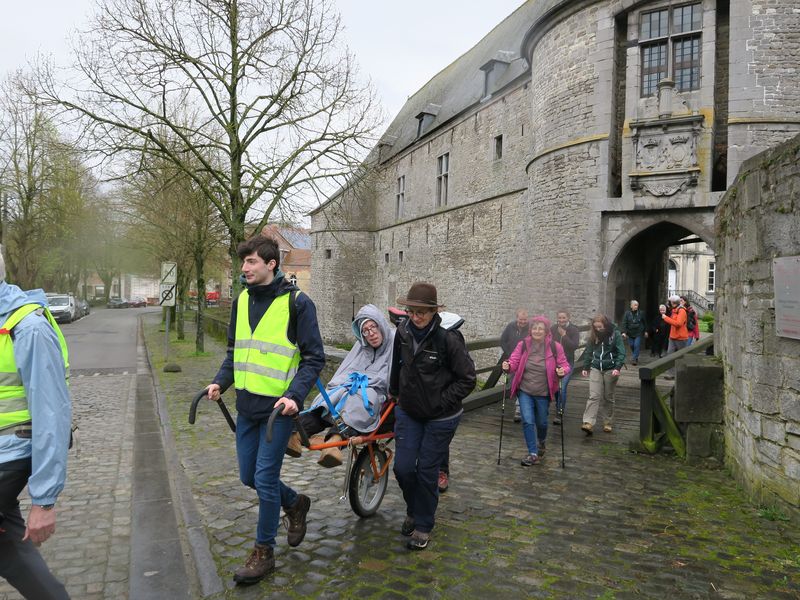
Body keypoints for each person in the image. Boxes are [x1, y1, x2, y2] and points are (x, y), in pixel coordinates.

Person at [206, 234, 325, 584]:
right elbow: (234, 352)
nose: (245, 268)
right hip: (247, 408)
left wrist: (294, 395)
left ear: (272, 264)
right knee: (248, 476)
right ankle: (296, 503)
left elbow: (314, 357)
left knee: (265, 479)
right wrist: (219, 381)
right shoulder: (241, 301)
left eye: (251, 261)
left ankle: (263, 552)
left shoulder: (298, 304)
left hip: (279, 412)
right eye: (244, 262)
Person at [0, 248, 72, 600]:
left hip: (12, 453)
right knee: (10, 549)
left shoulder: (27, 328)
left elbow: (52, 416)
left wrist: (43, 502)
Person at [389, 283, 475, 551]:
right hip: (409, 410)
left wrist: (441, 402)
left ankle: (423, 525)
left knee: (427, 471)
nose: (416, 317)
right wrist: (395, 394)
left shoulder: (448, 339)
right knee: (403, 468)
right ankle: (414, 510)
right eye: (411, 311)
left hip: (441, 417)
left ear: (433, 312)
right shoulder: (402, 333)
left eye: (422, 313)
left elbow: (468, 379)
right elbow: (396, 367)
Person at [286, 304, 394, 468]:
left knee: (356, 404)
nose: (370, 333)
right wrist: (341, 385)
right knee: (327, 399)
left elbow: (391, 378)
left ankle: (335, 442)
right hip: (350, 385)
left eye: (373, 327)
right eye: (365, 330)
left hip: (373, 391)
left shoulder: (394, 342)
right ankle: (296, 435)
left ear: (380, 325)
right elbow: (346, 370)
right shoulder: (361, 347)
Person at [503, 315, 570, 466]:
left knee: (542, 423)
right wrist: (508, 365)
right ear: (530, 330)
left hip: (543, 392)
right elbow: (514, 361)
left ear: (546, 331)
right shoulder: (523, 345)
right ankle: (532, 453)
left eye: (541, 328)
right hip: (525, 390)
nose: (537, 331)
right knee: (527, 420)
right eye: (534, 328)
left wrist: (562, 371)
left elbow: (565, 365)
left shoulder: (555, 347)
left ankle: (542, 441)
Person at [580, 314, 625, 435]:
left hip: (611, 368)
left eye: (600, 327)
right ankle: (588, 422)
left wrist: (618, 367)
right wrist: (586, 366)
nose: (598, 329)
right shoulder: (594, 335)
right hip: (595, 367)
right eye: (596, 328)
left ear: (605, 324)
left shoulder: (615, 334)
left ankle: (607, 422)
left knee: (608, 397)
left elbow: (621, 351)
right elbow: (589, 350)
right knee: (593, 395)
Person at [550, 310, 580, 425]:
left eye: (564, 318)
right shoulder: (553, 328)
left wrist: (564, 336)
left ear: (568, 317)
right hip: (554, 363)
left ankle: (559, 412)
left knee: (562, 387)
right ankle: (558, 405)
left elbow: (574, 346)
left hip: (568, 363)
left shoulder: (574, 329)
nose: (561, 320)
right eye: (560, 318)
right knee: (557, 388)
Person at [500, 308, 530, 423]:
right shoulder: (510, 326)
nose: (523, 321)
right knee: (514, 383)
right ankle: (521, 404)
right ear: (517, 318)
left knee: (522, 383)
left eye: (525, 319)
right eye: (521, 319)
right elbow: (503, 340)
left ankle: (519, 409)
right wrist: (509, 353)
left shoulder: (530, 329)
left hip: (525, 361)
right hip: (513, 360)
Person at [661, 294, 689, 379]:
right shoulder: (674, 310)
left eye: (670, 303)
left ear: (673, 303)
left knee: (681, 356)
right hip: (672, 337)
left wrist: (665, 318)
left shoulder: (682, 311)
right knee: (670, 355)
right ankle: (671, 374)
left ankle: (683, 374)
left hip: (681, 338)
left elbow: (678, 323)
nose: (669, 304)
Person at [621, 300, 647, 366]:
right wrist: (624, 332)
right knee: (632, 345)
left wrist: (646, 331)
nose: (636, 306)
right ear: (631, 306)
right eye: (635, 305)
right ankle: (635, 355)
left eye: (637, 305)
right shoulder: (627, 313)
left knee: (636, 345)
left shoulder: (641, 313)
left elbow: (645, 323)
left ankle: (634, 358)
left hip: (638, 332)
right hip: (630, 333)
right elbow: (624, 323)